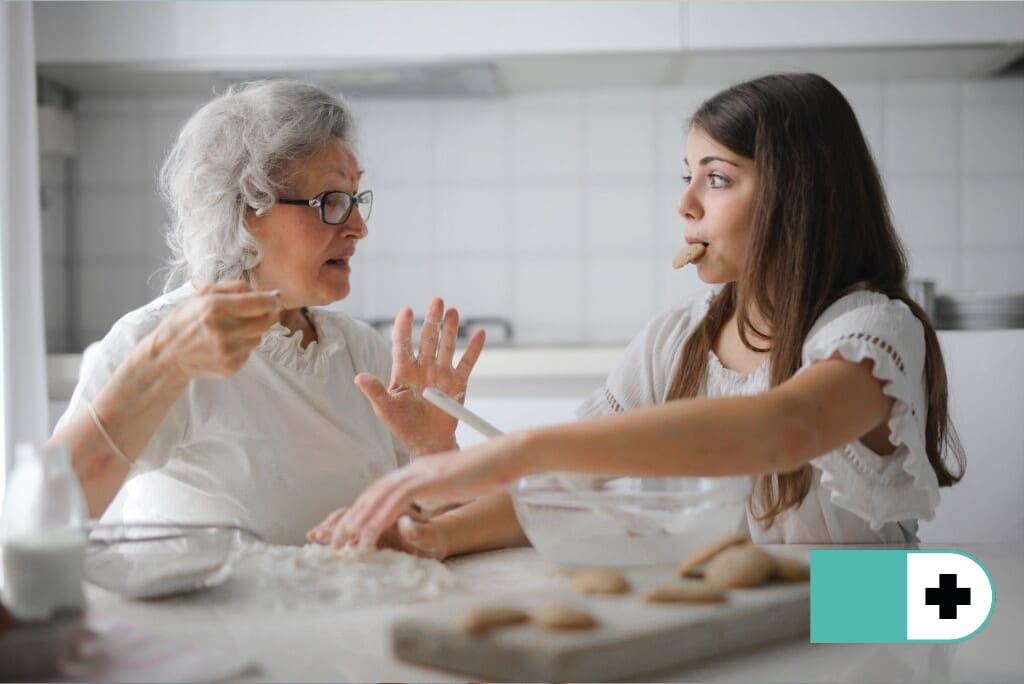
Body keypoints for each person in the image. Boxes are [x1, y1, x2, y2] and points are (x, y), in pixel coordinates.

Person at [311, 72, 966, 553]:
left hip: (877, 613)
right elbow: (569, 487)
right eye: (685, 176)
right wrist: (435, 532)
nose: (685, 204)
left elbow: (785, 427)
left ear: (799, 196)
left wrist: (522, 448)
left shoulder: (873, 331)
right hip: (748, 621)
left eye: (716, 177)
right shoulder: (674, 341)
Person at [49, 80, 484, 545]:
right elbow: (49, 512)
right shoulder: (157, 340)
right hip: (210, 618)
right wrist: (162, 366)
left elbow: (430, 534)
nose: (359, 227)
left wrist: (433, 451)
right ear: (243, 210)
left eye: (356, 200)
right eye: (331, 202)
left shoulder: (359, 352)